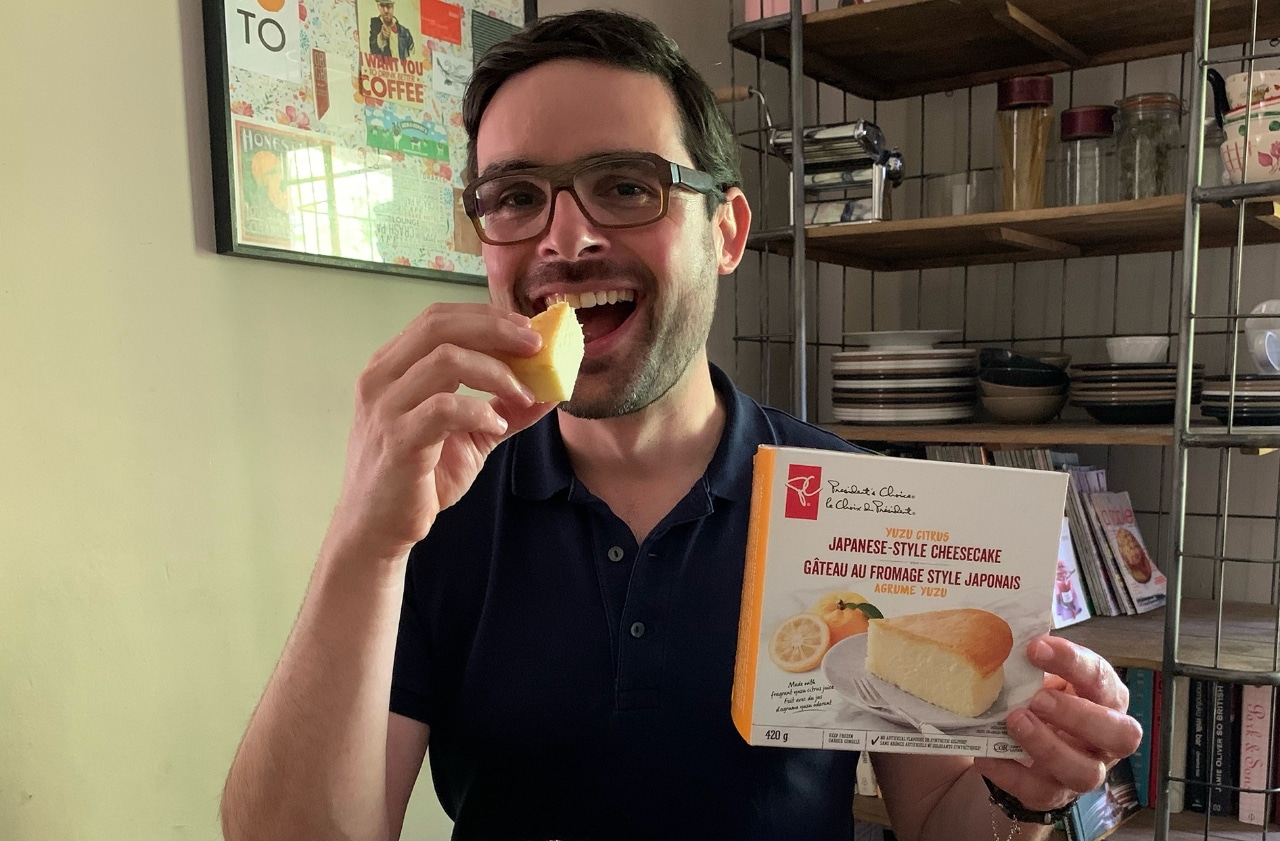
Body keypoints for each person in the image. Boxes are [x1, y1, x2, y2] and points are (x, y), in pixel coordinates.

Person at [220, 10, 1142, 841]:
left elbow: (941, 820)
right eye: (515, 197)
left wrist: (1023, 792)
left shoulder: (860, 507)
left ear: (728, 233)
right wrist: (363, 538)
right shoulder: (435, 508)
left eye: (625, 185)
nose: (565, 239)